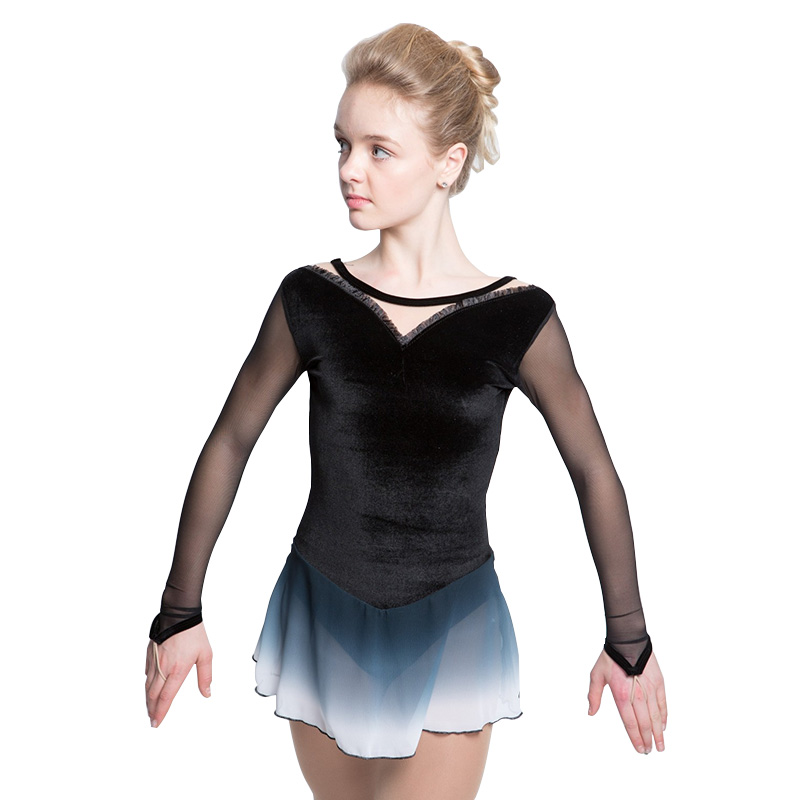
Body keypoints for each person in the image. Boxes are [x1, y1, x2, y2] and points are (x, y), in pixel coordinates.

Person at [145, 23, 667, 800]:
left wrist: (629, 640)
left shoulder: (518, 317)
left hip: (453, 626)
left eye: (379, 150)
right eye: (343, 144)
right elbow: (231, 440)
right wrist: (177, 612)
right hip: (322, 616)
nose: (349, 169)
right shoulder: (311, 298)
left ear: (449, 163)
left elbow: (593, 469)